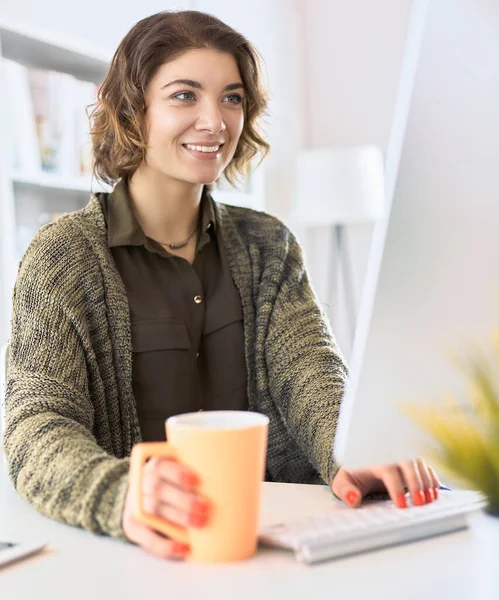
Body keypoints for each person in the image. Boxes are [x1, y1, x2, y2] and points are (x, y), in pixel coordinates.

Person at [4, 10, 440, 561]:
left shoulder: (267, 245)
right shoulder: (62, 257)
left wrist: (352, 450)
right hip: (135, 558)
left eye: (231, 98)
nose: (214, 121)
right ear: (132, 111)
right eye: (185, 96)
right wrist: (120, 494)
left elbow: (311, 372)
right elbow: (35, 427)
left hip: (273, 548)